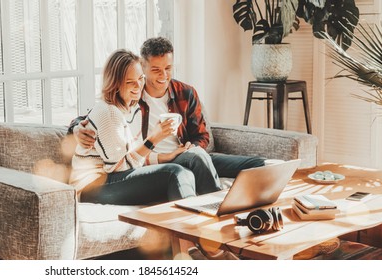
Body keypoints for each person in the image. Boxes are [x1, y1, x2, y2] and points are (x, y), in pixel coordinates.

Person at [72, 37, 264, 191]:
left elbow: (202, 135)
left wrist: (191, 146)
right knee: (194, 160)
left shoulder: (185, 93)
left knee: (257, 164)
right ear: (143, 68)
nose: (163, 75)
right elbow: (98, 117)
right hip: (150, 161)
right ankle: (213, 212)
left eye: (168, 68)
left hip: (180, 154)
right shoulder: (131, 96)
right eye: (156, 70)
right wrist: (76, 129)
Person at [69, 49, 197, 205]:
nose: (138, 85)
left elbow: (133, 156)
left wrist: (164, 157)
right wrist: (153, 140)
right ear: (115, 84)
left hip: (112, 179)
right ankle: (194, 224)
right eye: (130, 82)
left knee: (186, 174)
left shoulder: (133, 108)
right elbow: (119, 167)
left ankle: (195, 219)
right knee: (174, 174)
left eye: (141, 78)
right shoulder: (108, 112)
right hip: (91, 188)